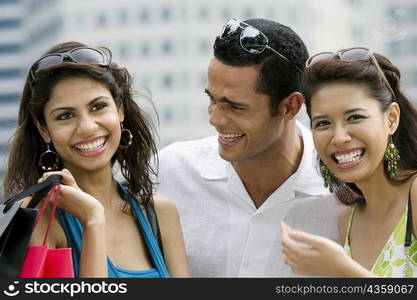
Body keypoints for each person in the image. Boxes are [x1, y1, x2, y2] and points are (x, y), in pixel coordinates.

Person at [155, 18, 342, 277]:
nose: (215, 119)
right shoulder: (167, 172)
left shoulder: (344, 194)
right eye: (213, 99)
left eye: (235, 106)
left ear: (290, 106)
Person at [3, 41, 189, 278]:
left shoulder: (160, 213)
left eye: (98, 107)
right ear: (44, 129)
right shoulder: (39, 219)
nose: (88, 127)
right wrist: (92, 220)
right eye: (65, 116)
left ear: (119, 109)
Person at [281, 47, 417, 277]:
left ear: (391, 119)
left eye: (355, 117)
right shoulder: (348, 221)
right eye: (323, 123)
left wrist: (344, 271)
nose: (339, 137)